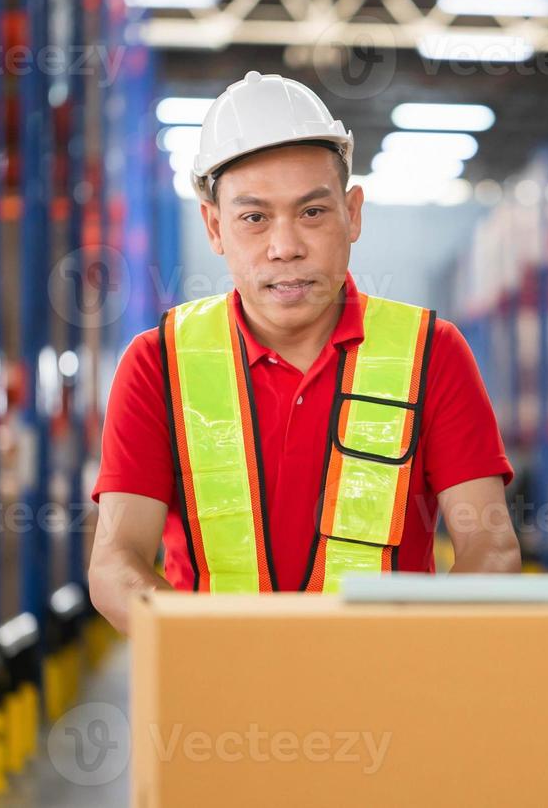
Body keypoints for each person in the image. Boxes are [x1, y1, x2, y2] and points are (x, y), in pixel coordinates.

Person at [89, 71, 520, 633]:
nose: (285, 247)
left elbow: (491, 551)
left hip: (388, 702)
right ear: (215, 227)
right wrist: (205, 655)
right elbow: (116, 563)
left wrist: (415, 660)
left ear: (353, 214)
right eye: (254, 218)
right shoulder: (157, 366)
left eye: (312, 212)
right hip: (214, 707)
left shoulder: (431, 355)